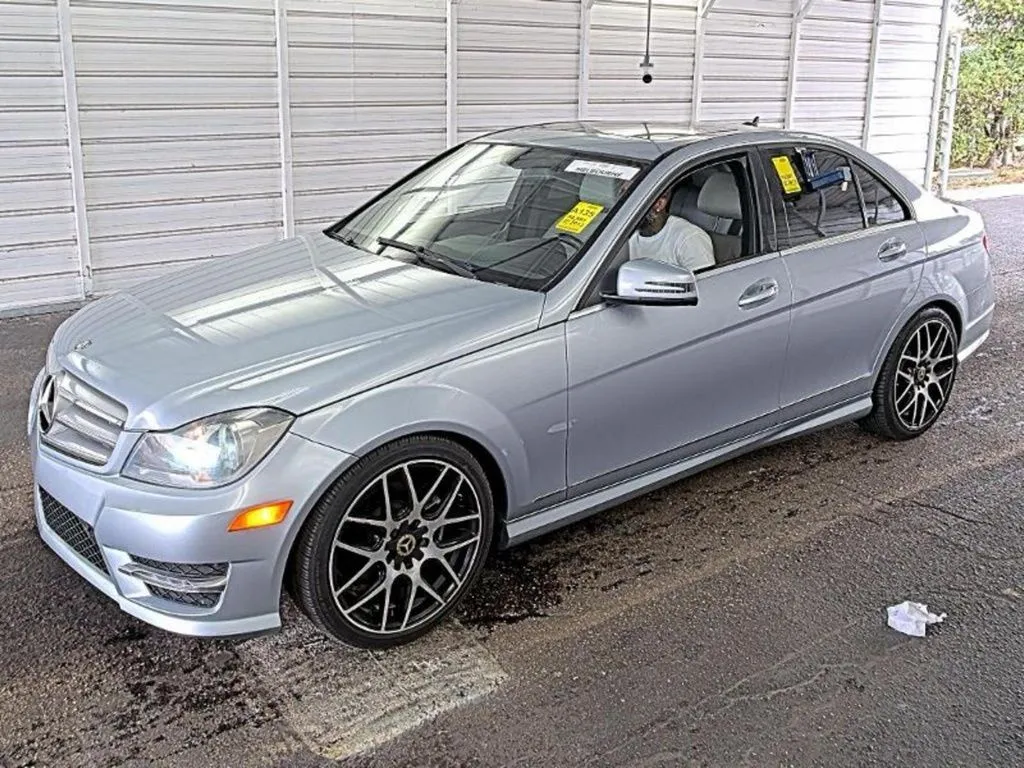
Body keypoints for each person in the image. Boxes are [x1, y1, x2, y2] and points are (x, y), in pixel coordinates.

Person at [628, 188, 715, 272]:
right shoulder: (625, 236)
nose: (624, 207)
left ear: (659, 203)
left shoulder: (690, 239)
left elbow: (706, 285)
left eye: (632, 199)